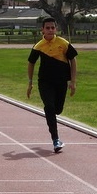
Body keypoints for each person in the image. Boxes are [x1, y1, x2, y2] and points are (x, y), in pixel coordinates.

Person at [27, 17, 77, 153]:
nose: (50, 30)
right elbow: (31, 63)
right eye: (47, 28)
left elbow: (73, 60)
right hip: (45, 82)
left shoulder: (63, 43)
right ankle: (56, 140)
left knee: (57, 110)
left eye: (52, 28)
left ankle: (52, 116)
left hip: (61, 82)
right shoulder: (38, 46)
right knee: (49, 107)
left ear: (56, 29)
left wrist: (73, 81)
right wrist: (30, 83)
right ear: (42, 29)